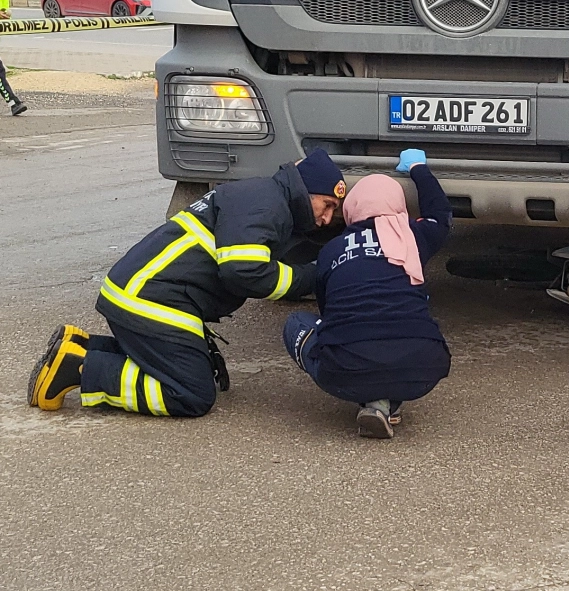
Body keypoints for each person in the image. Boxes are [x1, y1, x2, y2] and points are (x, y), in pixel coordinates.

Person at [29, 149, 346, 418]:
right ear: (305, 191)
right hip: (150, 300)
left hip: (143, 293)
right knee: (190, 393)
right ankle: (80, 368)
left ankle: (82, 346)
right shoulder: (266, 205)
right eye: (326, 205)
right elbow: (243, 271)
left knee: (182, 363)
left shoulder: (262, 196)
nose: (326, 218)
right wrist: (311, 277)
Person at [283, 151, 452, 439]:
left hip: (346, 371)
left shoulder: (331, 251)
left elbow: (329, 314)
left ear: (352, 210)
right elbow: (441, 214)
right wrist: (419, 169)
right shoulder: (412, 236)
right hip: (425, 366)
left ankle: (373, 395)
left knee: (296, 323)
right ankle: (387, 401)